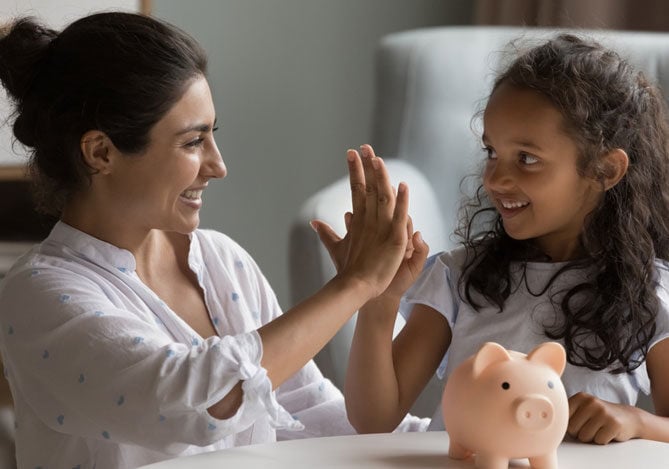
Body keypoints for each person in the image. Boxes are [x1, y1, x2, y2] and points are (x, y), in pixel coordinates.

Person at [0, 11, 428, 469]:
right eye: (192, 142)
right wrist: (353, 285)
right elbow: (197, 403)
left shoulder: (223, 260)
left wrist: (461, 438)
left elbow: (310, 414)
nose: (218, 165)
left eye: (212, 136)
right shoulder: (37, 295)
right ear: (100, 152)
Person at [320, 34, 669, 444]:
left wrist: (635, 421)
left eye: (526, 158)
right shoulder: (460, 277)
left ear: (606, 171)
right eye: (491, 152)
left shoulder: (649, 291)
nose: (496, 178)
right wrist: (378, 301)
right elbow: (374, 418)